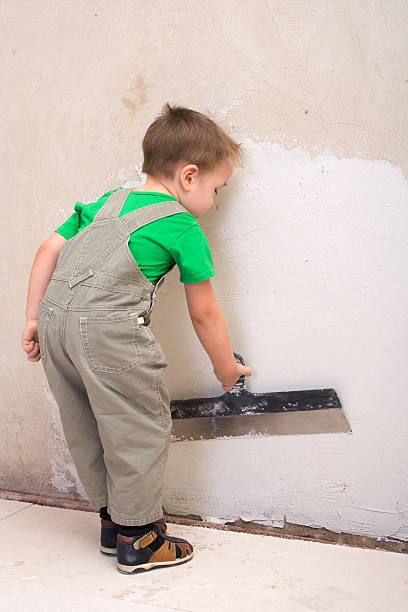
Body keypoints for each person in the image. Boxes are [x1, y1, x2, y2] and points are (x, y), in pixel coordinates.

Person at [21, 103, 253, 574]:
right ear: (189, 177)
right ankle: (139, 539)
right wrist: (227, 369)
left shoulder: (103, 203)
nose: (215, 198)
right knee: (138, 431)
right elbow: (204, 312)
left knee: (87, 427)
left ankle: (113, 524)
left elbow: (48, 249)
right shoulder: (182, 225)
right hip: (109, 334)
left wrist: (31, 321)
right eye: (217, 188)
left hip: (55, 324)